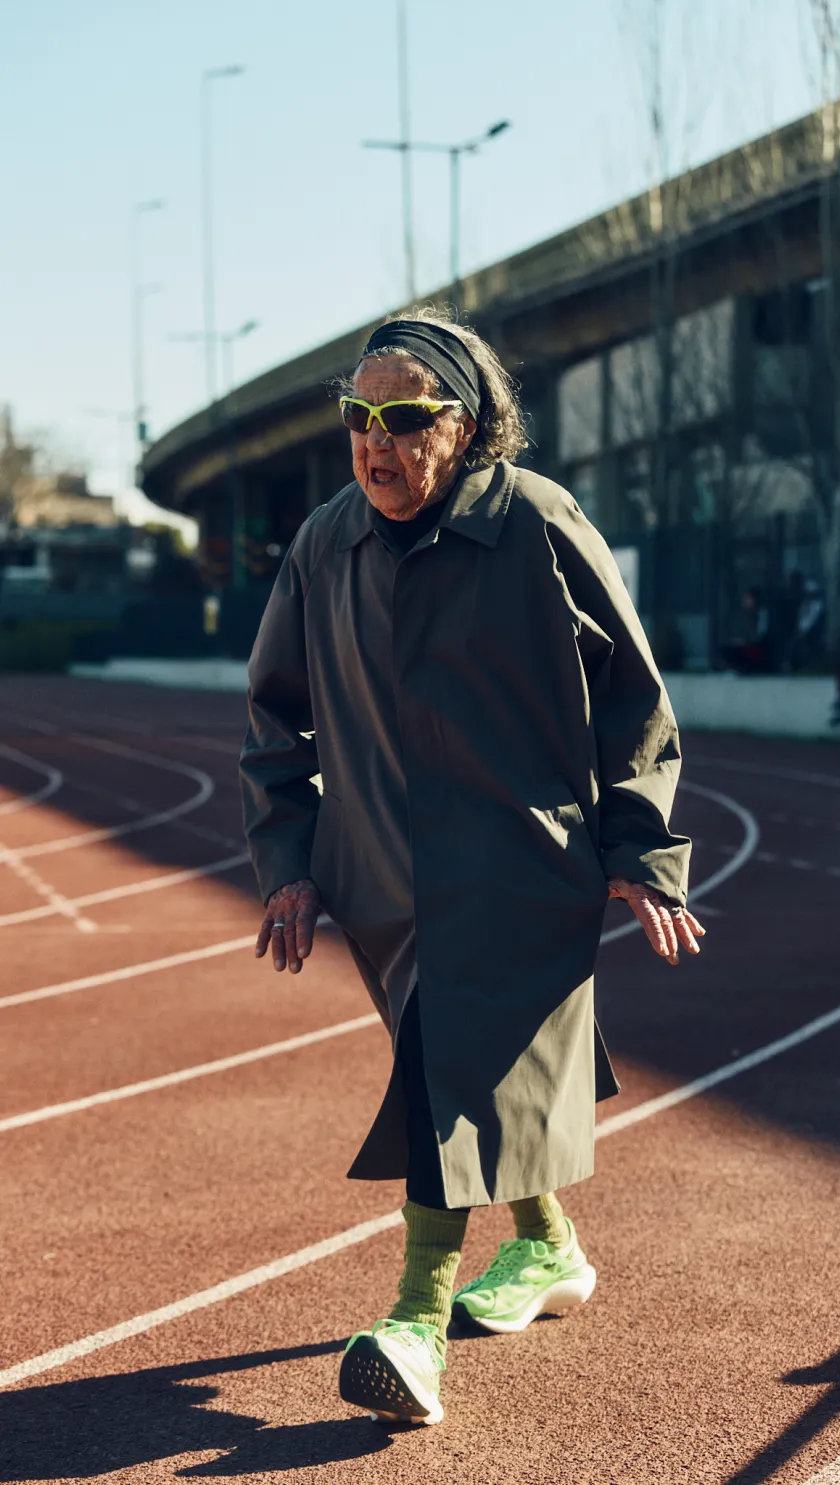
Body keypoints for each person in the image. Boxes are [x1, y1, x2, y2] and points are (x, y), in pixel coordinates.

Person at [240, 308, 705, 1428]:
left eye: (406, 417)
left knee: (449, 1070)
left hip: (522, 867)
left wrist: (642, 849)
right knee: (462, 1072)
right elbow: (275, 720)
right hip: (384, 880)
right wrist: (292, 865)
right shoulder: (323, 544)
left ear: (469, 423)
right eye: (360, 417)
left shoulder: (539, 524)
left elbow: (636, 699)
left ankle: (411, 1325)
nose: (377, 442)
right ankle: (549, 1248)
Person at [722, 586, 772, 674]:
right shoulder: (747, 614)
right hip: (749, 644)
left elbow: (761, 635)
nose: (746, 601)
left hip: (759, 648)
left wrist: (745, 641)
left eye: (748, 599)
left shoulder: (762, 613)